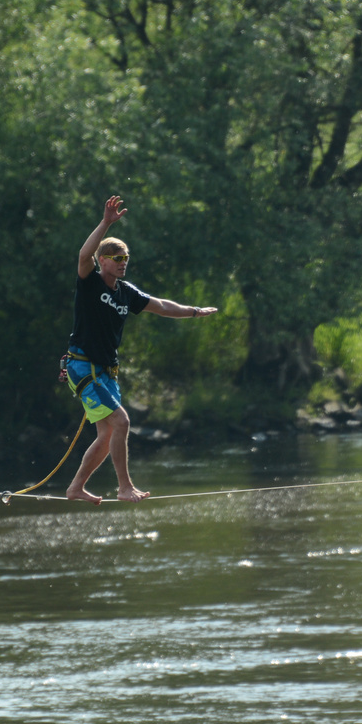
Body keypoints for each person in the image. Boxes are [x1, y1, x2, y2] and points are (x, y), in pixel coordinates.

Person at [64, 195, 218, 503]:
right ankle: (124, 487)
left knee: (107, 437)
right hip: (84, 367)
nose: (123, 264)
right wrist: (106, 222)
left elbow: (160, 306)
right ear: (103, 260)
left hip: (106, 372)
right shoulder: (90, 282)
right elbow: (83, 254)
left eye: (126, 259)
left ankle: (75, 488)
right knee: (121, 422)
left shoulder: (126, 293)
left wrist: (193, 311)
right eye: (117, 259)